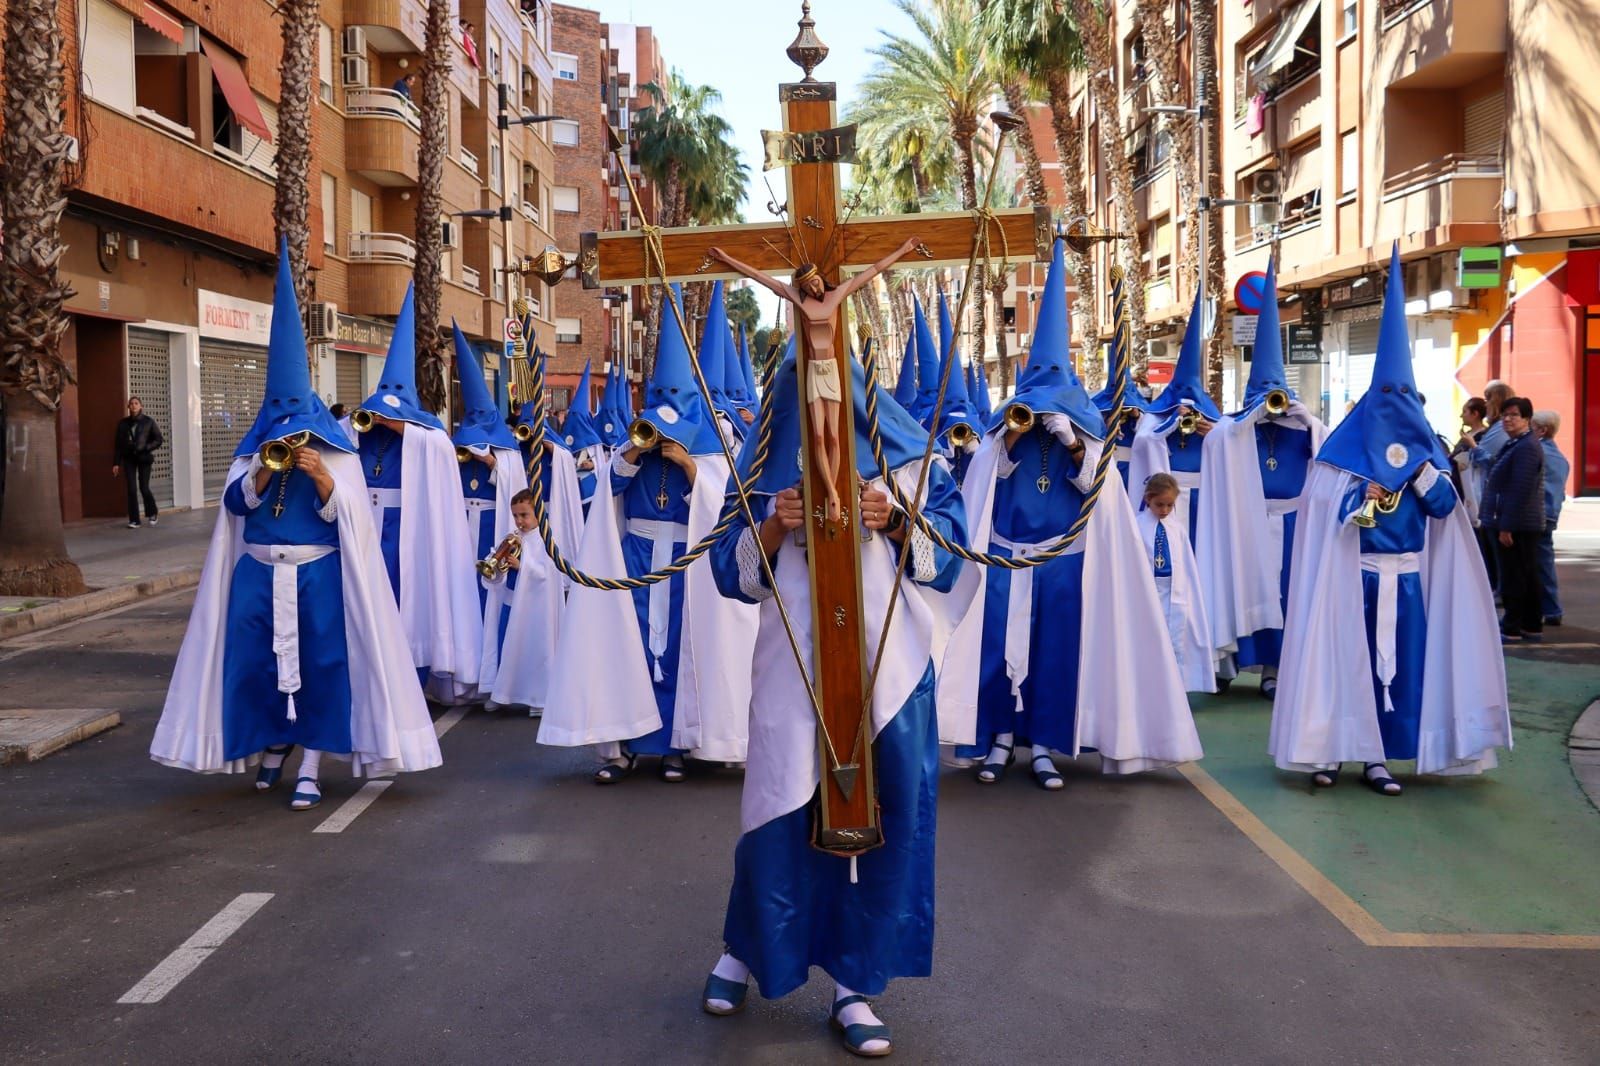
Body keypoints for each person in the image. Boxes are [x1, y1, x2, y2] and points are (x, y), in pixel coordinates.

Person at [699, 337, 968, 1059]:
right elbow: (730, 570)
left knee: (886, 818)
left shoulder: (905, 455)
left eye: (828, 367)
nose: (817, 392)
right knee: (777, 809)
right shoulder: (760, 458)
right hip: (793, 664)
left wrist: (897, 518)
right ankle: (746, 952)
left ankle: (856, 984)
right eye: (802, 369)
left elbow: (951, 559)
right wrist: (777, 522)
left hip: (891, 668)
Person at [150, 241, 440, 810]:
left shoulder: (337, 454)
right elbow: (231, 512)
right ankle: (271, 746)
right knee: (253, 664)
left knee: (324, 667)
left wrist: (325, 481)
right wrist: (258, 477)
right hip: (259, 576)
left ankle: (312, 760)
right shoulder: (254, 452)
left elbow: (354, 519)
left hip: (318, 576)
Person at [939, 238, 1203, 791]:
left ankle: (1042, 746)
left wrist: (1075, 443)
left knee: (1055, 655)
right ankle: (998, 741)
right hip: (1007, 558)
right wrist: (1010, 438)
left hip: (1063, 563)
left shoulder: (1084, 427)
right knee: (996, 653)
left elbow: (1095, 488)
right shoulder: (1001, 426)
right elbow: (987, 480)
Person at [1270, 247, 1511, 795]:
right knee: (1340, 666)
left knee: (1401, 670)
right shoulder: (1340, 455)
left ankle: (1380, 756)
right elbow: (1320, 518)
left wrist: (1421, 473)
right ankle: (1327, 750)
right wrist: (1361, 493)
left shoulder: (1429, 453)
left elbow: (1448, 511)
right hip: (1347, 580)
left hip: (1404, 581)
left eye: (1405, 398)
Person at [538, 285, 757, 782]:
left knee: (679, 649)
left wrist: (688, 465)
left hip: (684, 559)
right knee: (630, 645)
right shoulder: (631, 444)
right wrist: (635, 455)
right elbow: (608, 491)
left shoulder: (710, 451)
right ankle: (629, 744)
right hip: (636, 557)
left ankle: (676, 746)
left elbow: (722, 501)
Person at [709, 237, 923, 524]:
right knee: (819, 438)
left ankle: (834, 490)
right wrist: (727, 258)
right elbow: (762, 278)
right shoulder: (799, 300)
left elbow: (871, 271)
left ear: (821, 280)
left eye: (815, 282)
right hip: (812, 373)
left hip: (832, 370)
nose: (814, 287)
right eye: (808, 284)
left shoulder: (836, 297)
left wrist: (903, 249)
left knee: (835, 436)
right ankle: (830, 490)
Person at [1197, 259, 1326, 699]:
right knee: (1241, 590)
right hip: (1247, 526)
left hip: (1291, 525)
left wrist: (1310, 422)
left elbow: (1330, 460)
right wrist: (1246, 420)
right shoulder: (1234, 430)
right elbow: (1215, 446)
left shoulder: (1302, 427)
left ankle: (1276, 669)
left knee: (1287, 597)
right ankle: (1229, 663)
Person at [353, 285, 482, 701]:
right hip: (363, 527)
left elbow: (441, 450)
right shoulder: (359, 429)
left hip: (400, 531)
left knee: (400, 601)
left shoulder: (427, 433)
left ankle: (406, 679)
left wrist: (398, 427)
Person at [1129, 287, 1221, 547]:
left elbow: (1233, 447)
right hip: (1167, 497)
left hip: (1203, 495)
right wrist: (1169, 425)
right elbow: (1144, 441)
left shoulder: (1210, 417)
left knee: (1201, 549)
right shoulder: (1156, 417)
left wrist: (1215, 433)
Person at [485, 474, 582, 715]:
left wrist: (523, 565)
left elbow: (549, 574)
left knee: (535, 651)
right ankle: (502, 692)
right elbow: (500, 570)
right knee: (507, 646)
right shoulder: (513, 537)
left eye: (524, 515)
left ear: (538, 513)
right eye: (516, 515)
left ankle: (538, 697)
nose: (519, 521)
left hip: (535, 609)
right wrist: (495, 564)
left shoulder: (545, 540)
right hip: (512, 601)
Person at [1140, 473, 1217, 693]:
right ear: (1148, 500)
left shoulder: (1177, 528)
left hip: (1174, 591)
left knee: (1176, 639)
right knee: (1150, 638)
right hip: (1150, 590)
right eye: (1159, 504)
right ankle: (1150, 688)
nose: (1164, 510)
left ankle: (1176, 689)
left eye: (1169, 505)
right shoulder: (1137, 526)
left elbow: (1186, 564)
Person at [1481, 397, 1546, 642]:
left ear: (1527, 419)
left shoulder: (1526, 448)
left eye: (1514, 415)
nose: (1507, 419)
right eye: (1505, 415)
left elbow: (1520, 490)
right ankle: (1529, 624)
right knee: (1524, 573)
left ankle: (1513, 624)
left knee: (1515, 575)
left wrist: (1506, 526)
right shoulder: (1518, 444)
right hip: (1516, 522)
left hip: (1518, 525)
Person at [1089, 271, 1151, 487]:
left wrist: (1136, 416)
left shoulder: (1144, 415)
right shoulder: (1094, 410)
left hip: (1134, 475)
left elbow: (1152, 440)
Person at [1532, 410, 1569, 626]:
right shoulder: (1561, 459)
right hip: (1551, 513)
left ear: (1542, 430)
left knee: (1537, 563)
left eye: (1533, 427)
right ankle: (1551, 608)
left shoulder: (1538, 453)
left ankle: (1551, 608)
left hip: (1538, 513)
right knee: (1544, 561)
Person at [114, 396, 164, 528]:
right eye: (131, 404)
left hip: (143, 458)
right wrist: (116, 463)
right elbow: (118, 444)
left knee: (144, 487)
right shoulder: (123, 423)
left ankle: (152, 512)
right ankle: (135, 520)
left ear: (141, 406)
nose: (134, 406)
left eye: (136, 403)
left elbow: (158, 439)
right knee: (131, 489)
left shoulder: (148, 422)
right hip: (128, 458)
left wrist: (146, 447)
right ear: (128, 407)